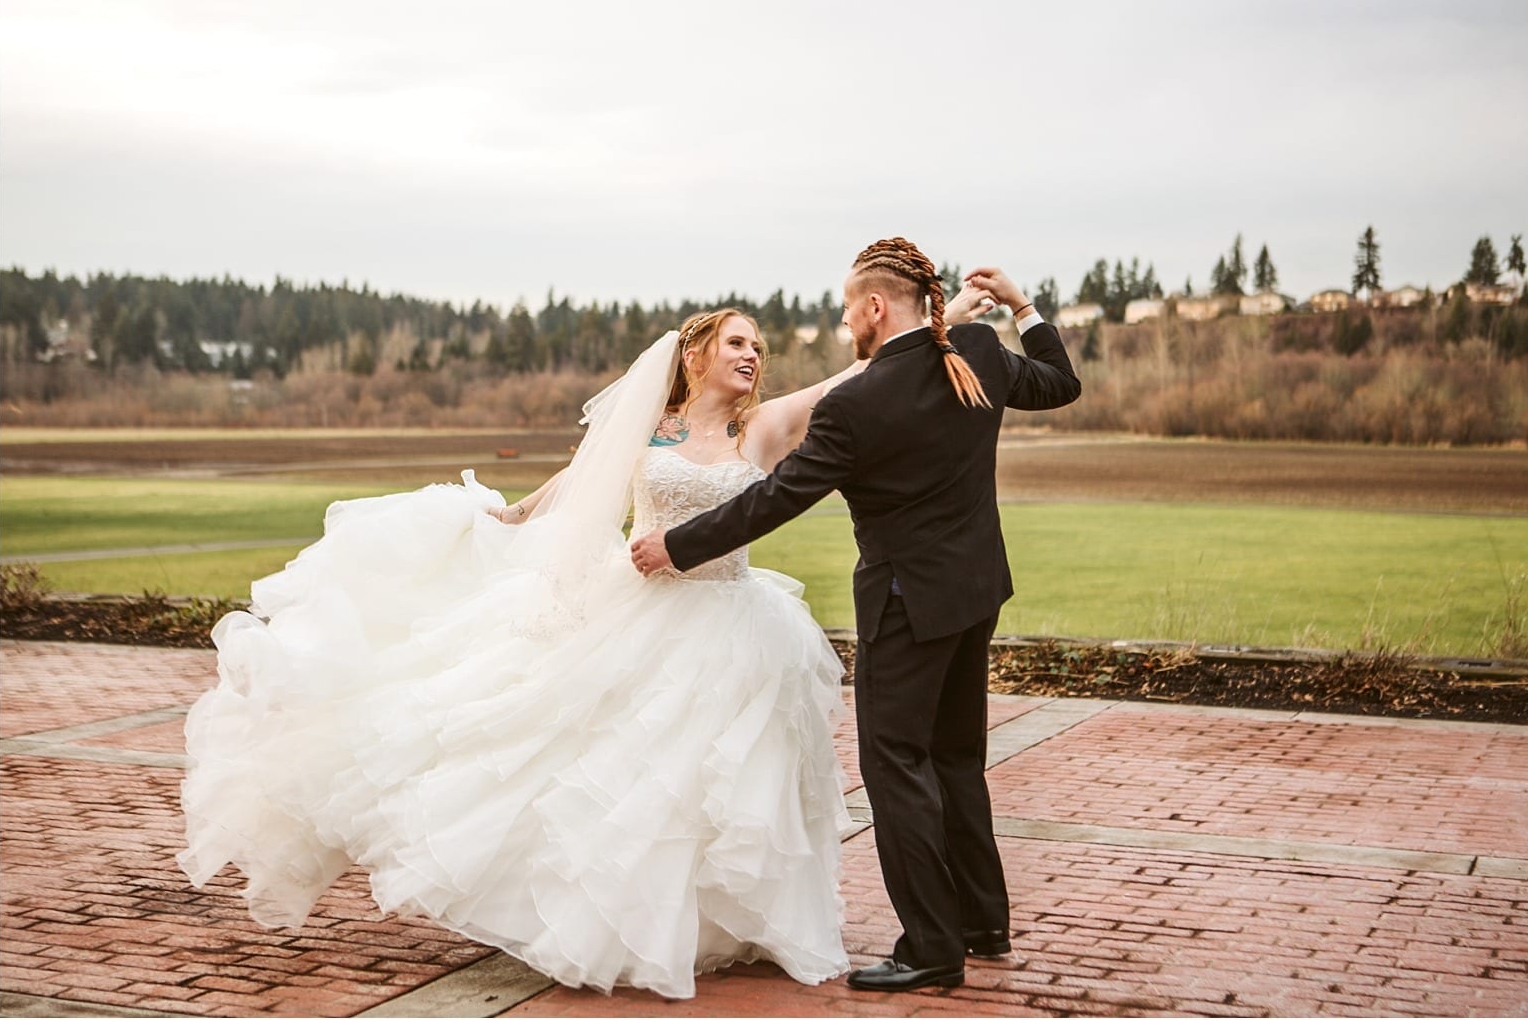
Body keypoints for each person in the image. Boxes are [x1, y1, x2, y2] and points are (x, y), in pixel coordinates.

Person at [179, 290, 995, 999]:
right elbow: (580, 477)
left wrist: (943, 320)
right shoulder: (650, 426)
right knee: (613, 770)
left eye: (759, 346)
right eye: (738, 342)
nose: (753, 356)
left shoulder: (767, 428)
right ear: (698, 353)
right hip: (637, 611)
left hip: (734, 626)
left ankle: (716, 922)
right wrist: (511, 515)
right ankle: (610, 917)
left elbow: (860, 375)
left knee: (721, 786)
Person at [629, 238, 1082, 993]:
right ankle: (982, 921)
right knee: (957, 757)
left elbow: (771, 501)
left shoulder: (858, 404)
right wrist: (1025, 306)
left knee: (895, 765)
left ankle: (932, 945)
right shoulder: (977, 350)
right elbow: (1061, 383)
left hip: (906, 608)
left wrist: (674, 544)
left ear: (875, 307)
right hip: (975, 595)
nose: (846, 327)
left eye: (847, 313)